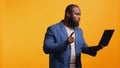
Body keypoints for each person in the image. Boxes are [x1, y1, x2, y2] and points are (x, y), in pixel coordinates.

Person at [43, 4, 104, 68]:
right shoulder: (53, 29)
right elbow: (46, 48)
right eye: (76, 14)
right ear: (68, 14)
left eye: (80, 15)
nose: (79, 17)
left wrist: (94, 48)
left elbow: (83, 48)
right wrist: (65, 43)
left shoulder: (79, 31)